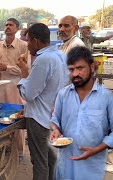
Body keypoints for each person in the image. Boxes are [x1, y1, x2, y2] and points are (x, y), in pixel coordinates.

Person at [50, 46, 113, 180]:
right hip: (65, 165)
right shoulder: (63, 95)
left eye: (80, 68)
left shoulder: (106, 97)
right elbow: (55, 119)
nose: (75, 74)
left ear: (92, 67)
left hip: (91, 168)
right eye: (71, 69)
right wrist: (55, 130)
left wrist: (96, 150)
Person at [17, 23, 69, 180]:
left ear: (35, 41)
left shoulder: (43, 60)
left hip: (39, 119)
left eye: (28, 41)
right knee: (50, 158)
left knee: (40, 162)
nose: (27, 45)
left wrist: (24, 75)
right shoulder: (61, 55)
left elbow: (29, 94)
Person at [0, 18, 27, 163]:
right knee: (1, 121)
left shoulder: (23, 46)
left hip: (16, 89)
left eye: (10, 25)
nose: (7, 27)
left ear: (17, 29)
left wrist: (7, 68)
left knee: (17, 120)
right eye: (6, 25)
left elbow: (26, 69)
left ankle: (20, 152)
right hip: (1, 89)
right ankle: (3, 149)